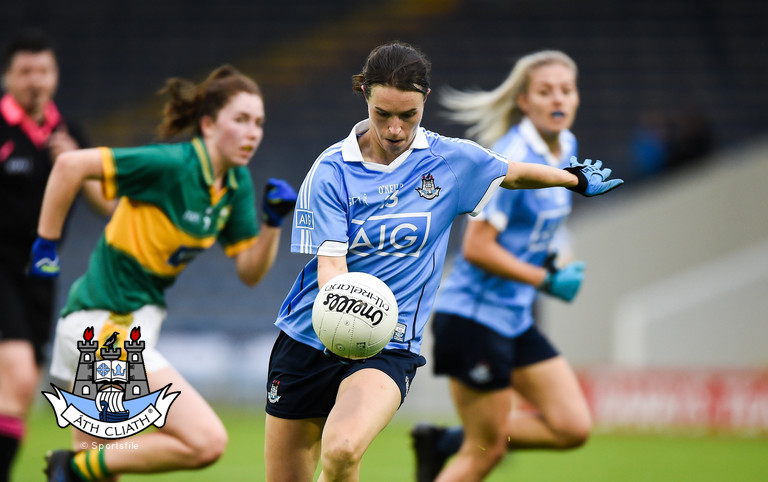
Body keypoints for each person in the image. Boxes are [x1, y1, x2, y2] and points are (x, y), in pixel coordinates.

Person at [264, 41, 621, 482]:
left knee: (341, 451)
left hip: (387, 343)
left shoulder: (451, 161)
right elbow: (331, 267)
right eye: (383, 115)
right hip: (309, 336)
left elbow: (512, 172)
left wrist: (573, 179)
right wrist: (341, 315)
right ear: (366, 98)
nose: (395, 128)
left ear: (425, 101)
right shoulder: (331, 170)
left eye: (408, 115)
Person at [28, 65, 297, 481]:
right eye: (240, 120)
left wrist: (272, 224)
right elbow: (70, 166)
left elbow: (249, 271)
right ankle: (74, 466)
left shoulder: (235, 184)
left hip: (126, 327)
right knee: (205, 440)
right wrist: (45, 244)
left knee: (102, 473)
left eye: (259, 122)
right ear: (207, 124)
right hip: (105, 328)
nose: (252, 132)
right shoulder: (171, 164)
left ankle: (77, 469)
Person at [409, 49, 595, 482]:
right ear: (524, 101)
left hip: (512, 317)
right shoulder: (511, 159)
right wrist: (544, 279)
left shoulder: (565, 146)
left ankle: (447, 442)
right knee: (486, 450)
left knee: (572, 427)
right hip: (473, 318)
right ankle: (462, 441)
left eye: (566, 90)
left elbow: (544, 226)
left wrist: (558, 259)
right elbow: (475, 248)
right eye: (545, 91)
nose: (558, 99)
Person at [0, 29, 112, 482]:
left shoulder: (68, 133)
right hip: (0, 268)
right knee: (20, 378)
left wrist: (77, 162)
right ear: (9, 77)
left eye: (42, 71)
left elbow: (107, 206)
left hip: (40, 275)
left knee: (17, 393)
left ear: (55, 76)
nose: (35, 80)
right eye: (25, 71)